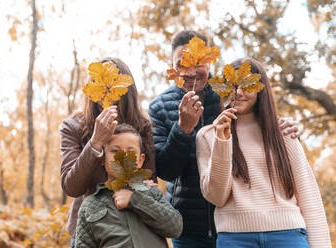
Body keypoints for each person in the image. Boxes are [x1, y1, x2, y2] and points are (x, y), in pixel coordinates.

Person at [148, 30, 300, 248]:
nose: (191, 71)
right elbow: (165, 171)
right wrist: (182, 129)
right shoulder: (159, 107)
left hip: (235, 222)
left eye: (199, 62)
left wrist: (285, 126)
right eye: (182, 64)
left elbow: (259, 126)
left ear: (210, 61)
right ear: (171, 64)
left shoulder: (228, 94)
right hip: (188, 226)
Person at [196, 57, 331, 248]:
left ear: (261, 89)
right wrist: (222, 140)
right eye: (233, 86)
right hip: (235, 238)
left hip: (288, 235)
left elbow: (308, 196)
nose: (239, 92)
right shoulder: (208, 136)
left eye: (247, 86)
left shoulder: (283, 131)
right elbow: (217, 196)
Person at [60, 57, 157, 248]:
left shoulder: (143, 127)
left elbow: (148, 182)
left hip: (131, 227)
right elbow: (72, 187)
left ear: (127, 93)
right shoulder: (72, 126)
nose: (109, 96)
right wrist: (96, 142)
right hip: (89, 229)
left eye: (115, 89)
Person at [74, 124, 183, 247]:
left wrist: (135, 200)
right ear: (102, 158)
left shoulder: (151, 192)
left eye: (130, 152)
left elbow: (175, 228)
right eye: (115, 151)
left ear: (140, 160)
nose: (123, 158)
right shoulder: (90, 205)